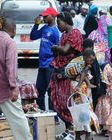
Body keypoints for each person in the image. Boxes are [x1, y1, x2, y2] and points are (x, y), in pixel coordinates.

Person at [0, 17, 32, 140]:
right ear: (13, 30)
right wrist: (13, 87)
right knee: (19, 122)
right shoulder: (10, 43)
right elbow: (11, 67)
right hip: (6, 91)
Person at [50, 11, 83, 139]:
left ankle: (73, 132)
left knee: (68, 103)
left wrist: (55, 48)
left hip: (69, 73)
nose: (58, 26)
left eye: (59, 23)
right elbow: (60, 51)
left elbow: (64, 50)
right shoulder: (64, 35)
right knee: (59, 100)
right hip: (60, 70)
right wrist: (57, 49)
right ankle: (67, 130)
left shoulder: (75, 33)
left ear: (66, 21)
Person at [30, 7, 60, 110]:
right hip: (41, 64)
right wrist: (36, 24)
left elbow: (59, 49)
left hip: (50, 65)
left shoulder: (56, 31)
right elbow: (33, 36)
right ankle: (41, 112)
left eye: (46, 16)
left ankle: (53, 115)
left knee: (51, 91)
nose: (44, 18)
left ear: (53, 16)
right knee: (39, 90)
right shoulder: (44, 28)